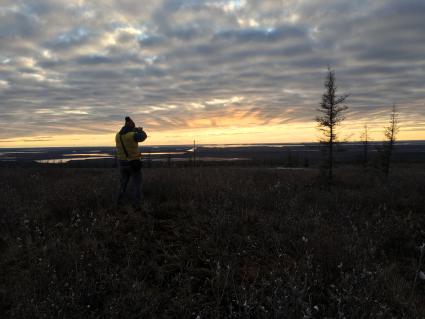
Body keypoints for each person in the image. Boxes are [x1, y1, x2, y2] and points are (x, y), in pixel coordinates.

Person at [115, 116, 147, 211]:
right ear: (132, 127)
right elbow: (143, 137)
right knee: (136, 185)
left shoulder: (117, 135)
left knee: (123, 185)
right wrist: (140, 130)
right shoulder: (132, 135)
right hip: (133, 164)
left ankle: (119, 204)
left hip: (122, 164)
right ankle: (136, 206)